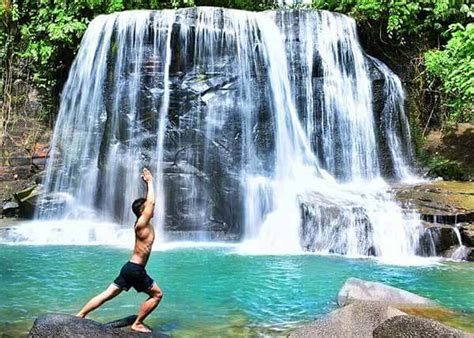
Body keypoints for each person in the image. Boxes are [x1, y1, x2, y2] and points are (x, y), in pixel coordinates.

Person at [77, 168, 162, 333]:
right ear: (142, 212)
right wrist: (150, 181)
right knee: (157, 295)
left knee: (106, 295)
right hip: (136, 270)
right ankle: (137, 323)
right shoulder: (142, 224)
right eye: (147, 207)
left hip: (129, 267)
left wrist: (146, 187)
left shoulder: (143, 223)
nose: (152, 208)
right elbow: (150, 203)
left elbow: (148, 202)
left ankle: (80, 314)